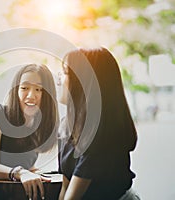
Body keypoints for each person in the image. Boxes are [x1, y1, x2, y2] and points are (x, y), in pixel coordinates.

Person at [57, 47, 140, 200]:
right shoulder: (67, 126)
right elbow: (65, 186)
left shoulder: (102, 132)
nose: (59, 80)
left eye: (64, 73)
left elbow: (72, 197)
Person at [0, 64, 59, 200]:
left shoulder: (39, 123)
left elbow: (27, 164)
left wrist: (35, 172)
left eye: (38, 89)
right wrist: (20, 173)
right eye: (24, 88)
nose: (31, 95)